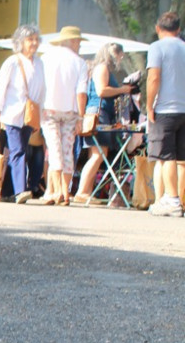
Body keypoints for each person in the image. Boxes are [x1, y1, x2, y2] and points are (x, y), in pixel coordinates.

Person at [72, 43, 135, 205]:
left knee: (100, 154)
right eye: (119, 54)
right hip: (98, 113)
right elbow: (101, 91)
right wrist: (122, 89)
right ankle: (82, 191)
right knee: (98, 154)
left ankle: (85, 190)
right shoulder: (102, 68)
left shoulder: (104, 69)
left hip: (103, 113)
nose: (120, 58)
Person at [0, 26, 46, 204]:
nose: (34, 43)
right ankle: (20, 190)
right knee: (18, 151)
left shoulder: (39, 63)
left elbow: (42, 91)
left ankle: (6, 192)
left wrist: (40, 116)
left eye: (36, 39)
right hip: (12, 114)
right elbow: (0, 90)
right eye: (30, 39)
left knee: (18, 150)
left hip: (29, 115)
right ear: (20, 42)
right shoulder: (12, 62)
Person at [39, 26, 89, 205]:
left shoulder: (46, 58)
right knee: (67, 151)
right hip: (70, 111)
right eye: (78, 42)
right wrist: (81, 117)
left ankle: (54, 191)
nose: (79, 46)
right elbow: (81, 92)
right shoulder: (80, 63)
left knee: (53, 150)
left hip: (48, 109)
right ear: (73, 41)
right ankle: (64, 192)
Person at [146, 11, 185, 217]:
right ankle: (172, 199)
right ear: (178, 29)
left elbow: (154, 77)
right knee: (181, 159)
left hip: (165, 108)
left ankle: (171, 199)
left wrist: (149, 105)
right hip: (184, 108)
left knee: (166, 155)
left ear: (157, 28)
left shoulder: (157, 47)